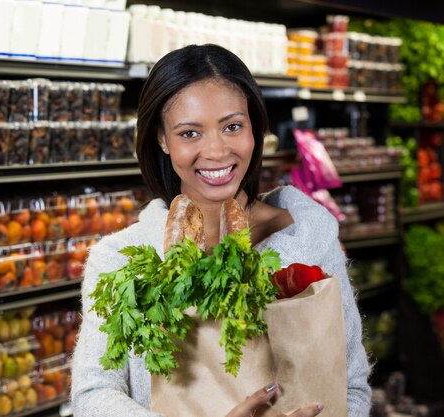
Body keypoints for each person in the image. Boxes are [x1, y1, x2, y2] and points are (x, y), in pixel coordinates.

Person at [71, 44, 372, 417]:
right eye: (190, 133)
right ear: (162, 140)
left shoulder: (310, 241)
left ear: (254, 128)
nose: (216, 150)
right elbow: (94, 394)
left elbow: (353, 387)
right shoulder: (118, 259)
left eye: (232, 126)